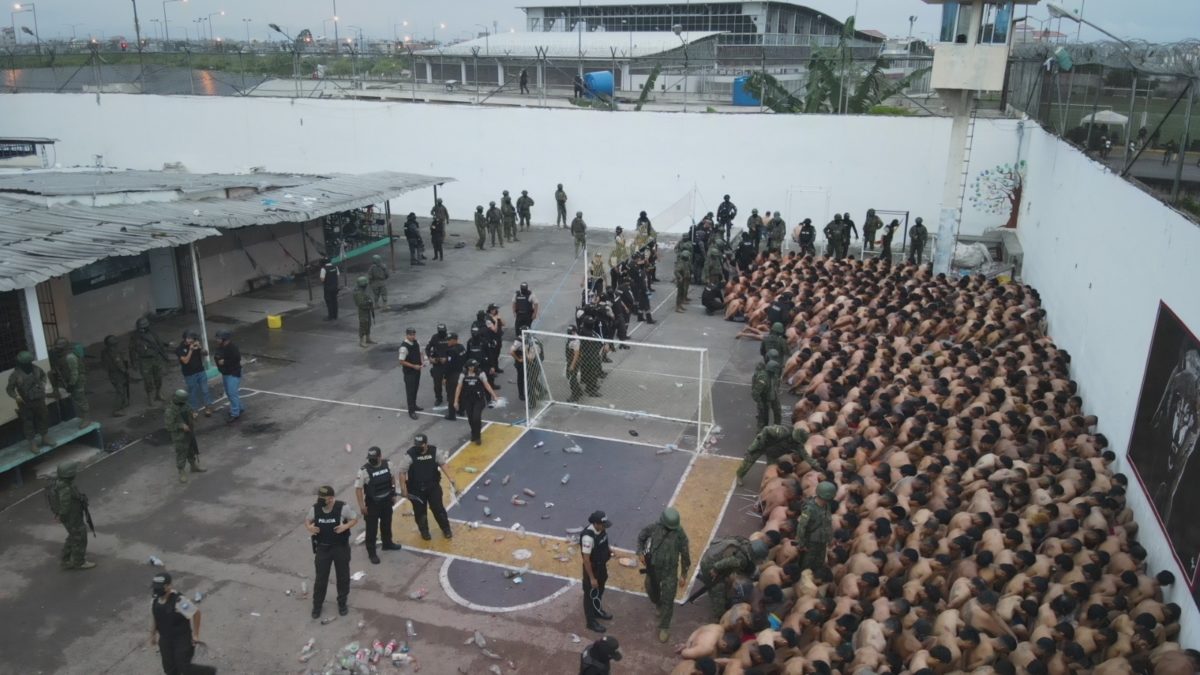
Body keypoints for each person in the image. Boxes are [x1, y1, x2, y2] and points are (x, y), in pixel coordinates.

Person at [638, 507, 692, 643]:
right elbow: (641, 537)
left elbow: (685, 555)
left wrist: (683, 574)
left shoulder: (680, 535)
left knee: (668, 598)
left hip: (670, 571)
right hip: (654, 568)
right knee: (650, 588)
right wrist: (640, 552)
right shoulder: (654, 528)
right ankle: (658, 603)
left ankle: (664, 627)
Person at [305, 485, 358, 619]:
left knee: (343, 577)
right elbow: (307, 520)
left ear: (331, 498)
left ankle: (342, 603)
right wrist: (310, 528)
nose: (321, 500)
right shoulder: (315, 508)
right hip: (323, 548)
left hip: (340, 547)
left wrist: (345, 526)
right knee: (321, 579)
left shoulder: (342, 507)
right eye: (320, 497)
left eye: (324, 498)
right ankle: (317, 605)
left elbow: (354, 518)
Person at [398, 434, 455, 540]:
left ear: (426, 444)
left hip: (433, 487)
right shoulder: (410, 455)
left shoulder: (434, 452)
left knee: (438, 509)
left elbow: (442, 464)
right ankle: (424, 532)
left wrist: (450, 478)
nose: (418, 447)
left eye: (420, 445)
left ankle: (446, 529)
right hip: (416, 489)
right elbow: (402, 472)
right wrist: (403, 489)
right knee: (420, 513)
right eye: (416, 445)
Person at [696, 536, 769, 620]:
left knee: (725, 580)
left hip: (712, 555)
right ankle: (719, 614)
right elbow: (727, 562)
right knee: (718, 587)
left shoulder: (745, 544)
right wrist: (716, 569)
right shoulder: (742, 559)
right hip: (710, 564)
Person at [354, 446, 401, 564]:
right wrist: (362, 506)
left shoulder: (388, 464)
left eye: (374, 458)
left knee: (386, 524)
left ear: (380, 456)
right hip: (372, 504)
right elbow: (358, 489)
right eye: (370, 458)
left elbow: (392, 479)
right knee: (371, 529)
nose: (372, 460)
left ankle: (387, 543)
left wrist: (393, 494)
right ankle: (372, 553)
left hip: (386, 501)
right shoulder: (364, 471)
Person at [149, 572, 202, 675]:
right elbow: (155, 617)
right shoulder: (155, 600)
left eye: (159, 587)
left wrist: (196, 634)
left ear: (168, 586)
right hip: (165, 639)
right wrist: (152, 634)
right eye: (155, 587)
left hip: (181, 639)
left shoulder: (179, 601)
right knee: (169, 669)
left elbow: (196, 613)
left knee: (183, 666)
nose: (156, 590)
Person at [49, 461, 95, 570]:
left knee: (73, 536)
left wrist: (59, 515)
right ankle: (79, 562)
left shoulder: (59, 483)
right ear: (70, 474)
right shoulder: (65, 488)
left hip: (69, 517)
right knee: (80, 536)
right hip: (72, 517)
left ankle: (66, 559)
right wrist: (61, 516)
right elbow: (65, 505)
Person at [735, 425, 814, 485]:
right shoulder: (783, 432)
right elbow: (766, 429)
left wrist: (815, 465)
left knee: (772, 467)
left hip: (774, 451)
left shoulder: (797, 442)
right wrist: (756, 446)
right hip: (763, 444)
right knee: (749, 461)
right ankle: (740, 475)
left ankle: (769, 482)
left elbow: (805, 454)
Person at [7, 351, 49, 453]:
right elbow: (9, 389)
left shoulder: (36, 369)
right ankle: (32, 444)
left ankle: (45, 437)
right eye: (26, 363)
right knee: (28, 423)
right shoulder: (15, 375)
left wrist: (43, 384)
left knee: (43, 418)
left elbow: (43, 376)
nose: (29, 364)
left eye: (29, 362)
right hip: (25, 403)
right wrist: (16, 396)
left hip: (39, 400)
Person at [581, 510, 614, 633]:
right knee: (590, 596)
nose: (605, 527)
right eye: (603, 524)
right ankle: (591, 622)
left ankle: (597, 610)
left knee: (600, 590)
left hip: (601, 567)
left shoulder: (601, 529)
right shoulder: (588, 538)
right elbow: (586, 560)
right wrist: (592, 578)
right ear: (595, 524)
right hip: (593, 570)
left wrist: (609, 550)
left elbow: (603, 542)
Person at [794, 481, 836, 573]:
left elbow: (827, 523)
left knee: (819, 565)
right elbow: (801, 527)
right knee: (806, 566)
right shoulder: (809, 508)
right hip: (810, 542)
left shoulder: (826, 506)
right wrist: (801, 544)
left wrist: (830, 538)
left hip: (822, 542)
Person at [48, 337, 90, 429]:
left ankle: (86, 418)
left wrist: (71, 385)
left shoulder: (70, 357)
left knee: (80, 398)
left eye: (58, 347)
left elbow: (75, 373)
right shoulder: (60, 355)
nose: (56, 348)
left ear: (64, 347)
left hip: (77, 379)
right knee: (50, 373)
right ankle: (56, 392)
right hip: (68, 377)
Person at [164, 389, 204, 484]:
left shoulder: (185, 404)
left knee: (191, 450)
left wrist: (193, 415)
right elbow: (169, 426)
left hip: (189, 433)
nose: (184, 402)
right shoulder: (170, 411)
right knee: (181, 454)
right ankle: (181, 471)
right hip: (179, 437)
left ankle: (193, 466)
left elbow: (190, 411)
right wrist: (181, 426)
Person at [130, 317, 170, 404]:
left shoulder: (153, 333)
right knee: (148, 381)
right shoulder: (135, 337)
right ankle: (150, 397)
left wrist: (164, 355)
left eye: (143, 327)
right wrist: (133, 362)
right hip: (144, 361)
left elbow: (160, 344)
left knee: (158, 378)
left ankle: (158, 394)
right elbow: (132, 350)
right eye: (140, 328)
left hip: (155, 359)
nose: (142, 329)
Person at [454, 358, 495, 442]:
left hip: (479, 399)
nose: (476, 367)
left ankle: (478, 436)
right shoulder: (463, 374)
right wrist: (456, 401)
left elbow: (487, 385)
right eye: (474, 366)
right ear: (469, 367)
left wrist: (494, 395)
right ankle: (473, 432)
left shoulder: (481, 373)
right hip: (467, 399)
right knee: (470, 418)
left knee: (476, 417)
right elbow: (459, 387)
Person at [175, 332, 212, 418]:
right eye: (189, 338)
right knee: (192, 392)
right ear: (185, 338)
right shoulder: (179, 349)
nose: (191, 340)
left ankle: (208, 407)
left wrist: (200, 347)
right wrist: (191, 350)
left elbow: (206, 354)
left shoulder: (195, 344)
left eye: (192, 338)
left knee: (205, 390)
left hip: (200, 371)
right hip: (189, 374)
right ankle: (194, 410)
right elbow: (185, 361)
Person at [214, 329, 243, 423]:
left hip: (233, 373)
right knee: (230, 393)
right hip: (225, 373)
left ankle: (235, 413)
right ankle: (240, 407)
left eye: (219, 338)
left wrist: (225, 362)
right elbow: (217, 357)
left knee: (232, 392)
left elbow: (237, 359)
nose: (217, 340)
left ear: (225, 339)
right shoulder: (220, 347)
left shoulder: (232, 348)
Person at [100, 335, 130, 417]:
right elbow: (119, 363)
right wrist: (125, 371)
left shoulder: (104, 352)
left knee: (122, 388)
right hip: (117, 373)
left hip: (111, 373)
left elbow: (104, 364)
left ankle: (123, 403)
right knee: (120, 391)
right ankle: (116, 410)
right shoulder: (114, 352)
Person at [398, 327, 424, 420]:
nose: (413, 336)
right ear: (407, 335)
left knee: (415, 388)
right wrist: (413, 366)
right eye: (411, 335)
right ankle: (411, 411)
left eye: (414, 334)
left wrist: (423, 361)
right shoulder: (404, 347)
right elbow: (401, 361)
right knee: (410, 392)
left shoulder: (416, 342)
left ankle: (414, 405)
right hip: (409, 373)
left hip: (417, 371)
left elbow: (420, 352)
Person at [751, 360, 782, 430]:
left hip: (773, 396)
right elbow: (755, 394)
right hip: (765, 399)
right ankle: (761, 433)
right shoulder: (763, 378)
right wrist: (760, 403)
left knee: (778, 412)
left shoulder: (774, 375)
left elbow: (775, 385)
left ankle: (777, 429)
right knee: (763, 419)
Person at [425, 324, 450, 410]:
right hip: (437, 363)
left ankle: (450, 396)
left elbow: (454, 349)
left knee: (449, 382)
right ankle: (438, 398)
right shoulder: (434, 337)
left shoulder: (449, 337)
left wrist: (447, 358)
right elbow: (427, 348)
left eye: (443, 332)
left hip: (447, 363)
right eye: (440, 332)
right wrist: (430, 358)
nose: (442, 333)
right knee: (437, 383)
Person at [442, 332, 466, 421]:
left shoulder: (451, 351)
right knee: (461, 393)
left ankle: (451, 415)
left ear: (454, 340)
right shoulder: (461, 347)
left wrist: (445, 377)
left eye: (449, 340)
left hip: (453, 375)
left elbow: (449, 366)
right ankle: (461, 410)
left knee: (451, 394)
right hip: (462, 373)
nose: (447, 342)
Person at [353, 276, 375, 348]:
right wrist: (368, 303)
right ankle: (361, 341)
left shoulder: (362, 291)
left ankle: (368, 338)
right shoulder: (359, 293)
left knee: (368, 324)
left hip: (366, 310)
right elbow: (361, 304)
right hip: (363, 311)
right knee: (363, 325)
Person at [674, 248, 692, 313]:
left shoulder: (685, 262)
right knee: (680, 294)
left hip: (685, 280)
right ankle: (677, 307)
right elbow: (676, 271)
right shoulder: (681, 263)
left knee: (682, 293)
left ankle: (680, 305)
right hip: (681, 281)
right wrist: (680, 277)